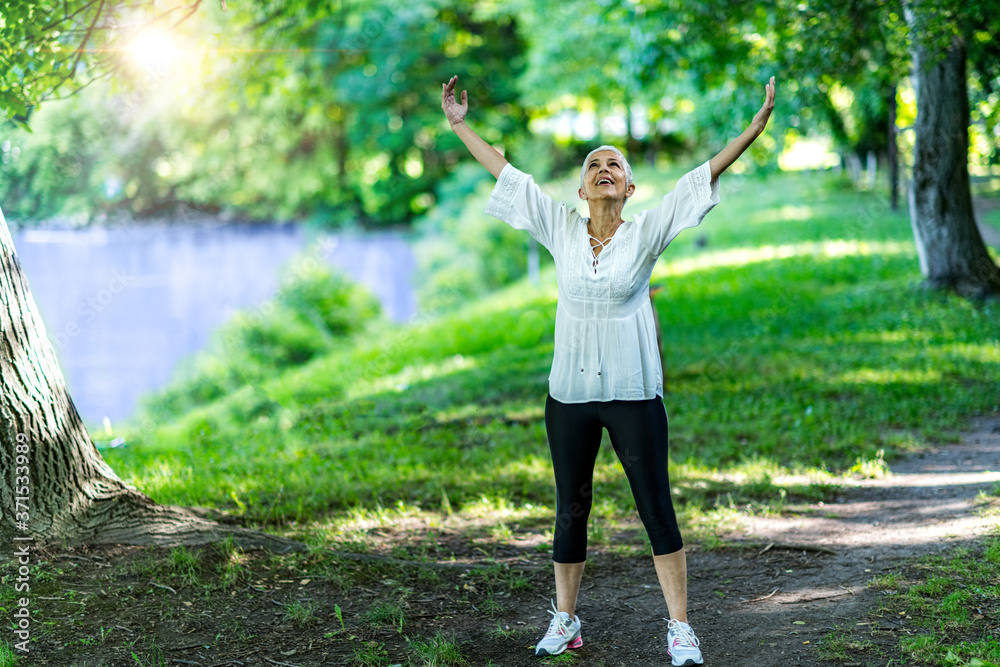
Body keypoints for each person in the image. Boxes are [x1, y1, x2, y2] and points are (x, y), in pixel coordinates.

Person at [441, 74, 775, 666]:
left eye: (614, 164)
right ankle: (565, 620)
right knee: (571, 506)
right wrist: (461, 125)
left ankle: (680, 630)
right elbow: (507, 175)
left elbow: (703, 177)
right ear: (580, 186)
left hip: (632, 394)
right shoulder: (559, 229)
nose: (603, 168)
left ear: (629, 185)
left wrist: (752, 130)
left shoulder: (647, 231)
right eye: (594, 163)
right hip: (568, 395)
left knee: (655, 508)